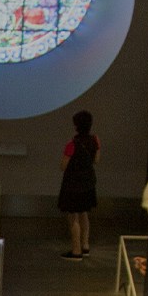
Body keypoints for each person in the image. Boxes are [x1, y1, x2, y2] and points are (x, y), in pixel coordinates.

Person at [58, 110, 99, 259]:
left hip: (73, 184)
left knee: (73, 216)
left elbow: (63, 166)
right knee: (84, 213)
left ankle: (76, 250)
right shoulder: (95, 141)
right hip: (88, 183)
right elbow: (96, 160)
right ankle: (85, 245)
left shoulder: (72, 144)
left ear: (76, 126)